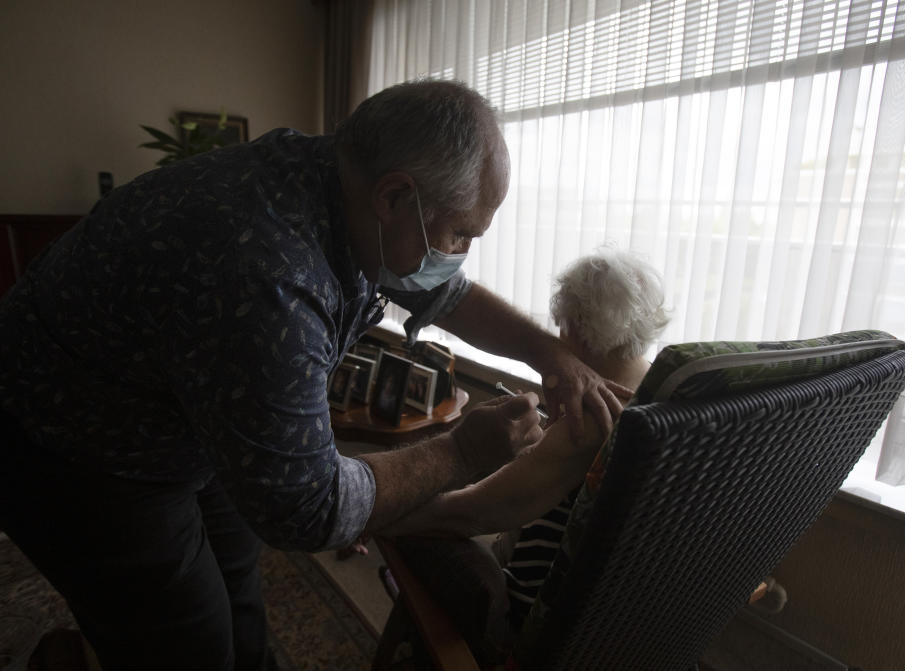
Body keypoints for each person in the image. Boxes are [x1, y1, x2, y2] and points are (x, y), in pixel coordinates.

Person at [0, 80, 629, 670]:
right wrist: (467, 449)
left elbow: (446, 292)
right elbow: (305, 509)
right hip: (78, 442)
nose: (462, 252)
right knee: (182, 638)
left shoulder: (341, 181)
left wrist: (551, 353)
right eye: (462, 233)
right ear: (394, 197)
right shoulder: (264, 271)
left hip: (185, 410)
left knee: (236, 588)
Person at [383, 248, 670, 631]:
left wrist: (377, 515)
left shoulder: (592, 419)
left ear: (578, 328)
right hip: (630, 621)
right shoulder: (668, 393)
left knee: (417, 532)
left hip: (552, 623)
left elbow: (473, 512)